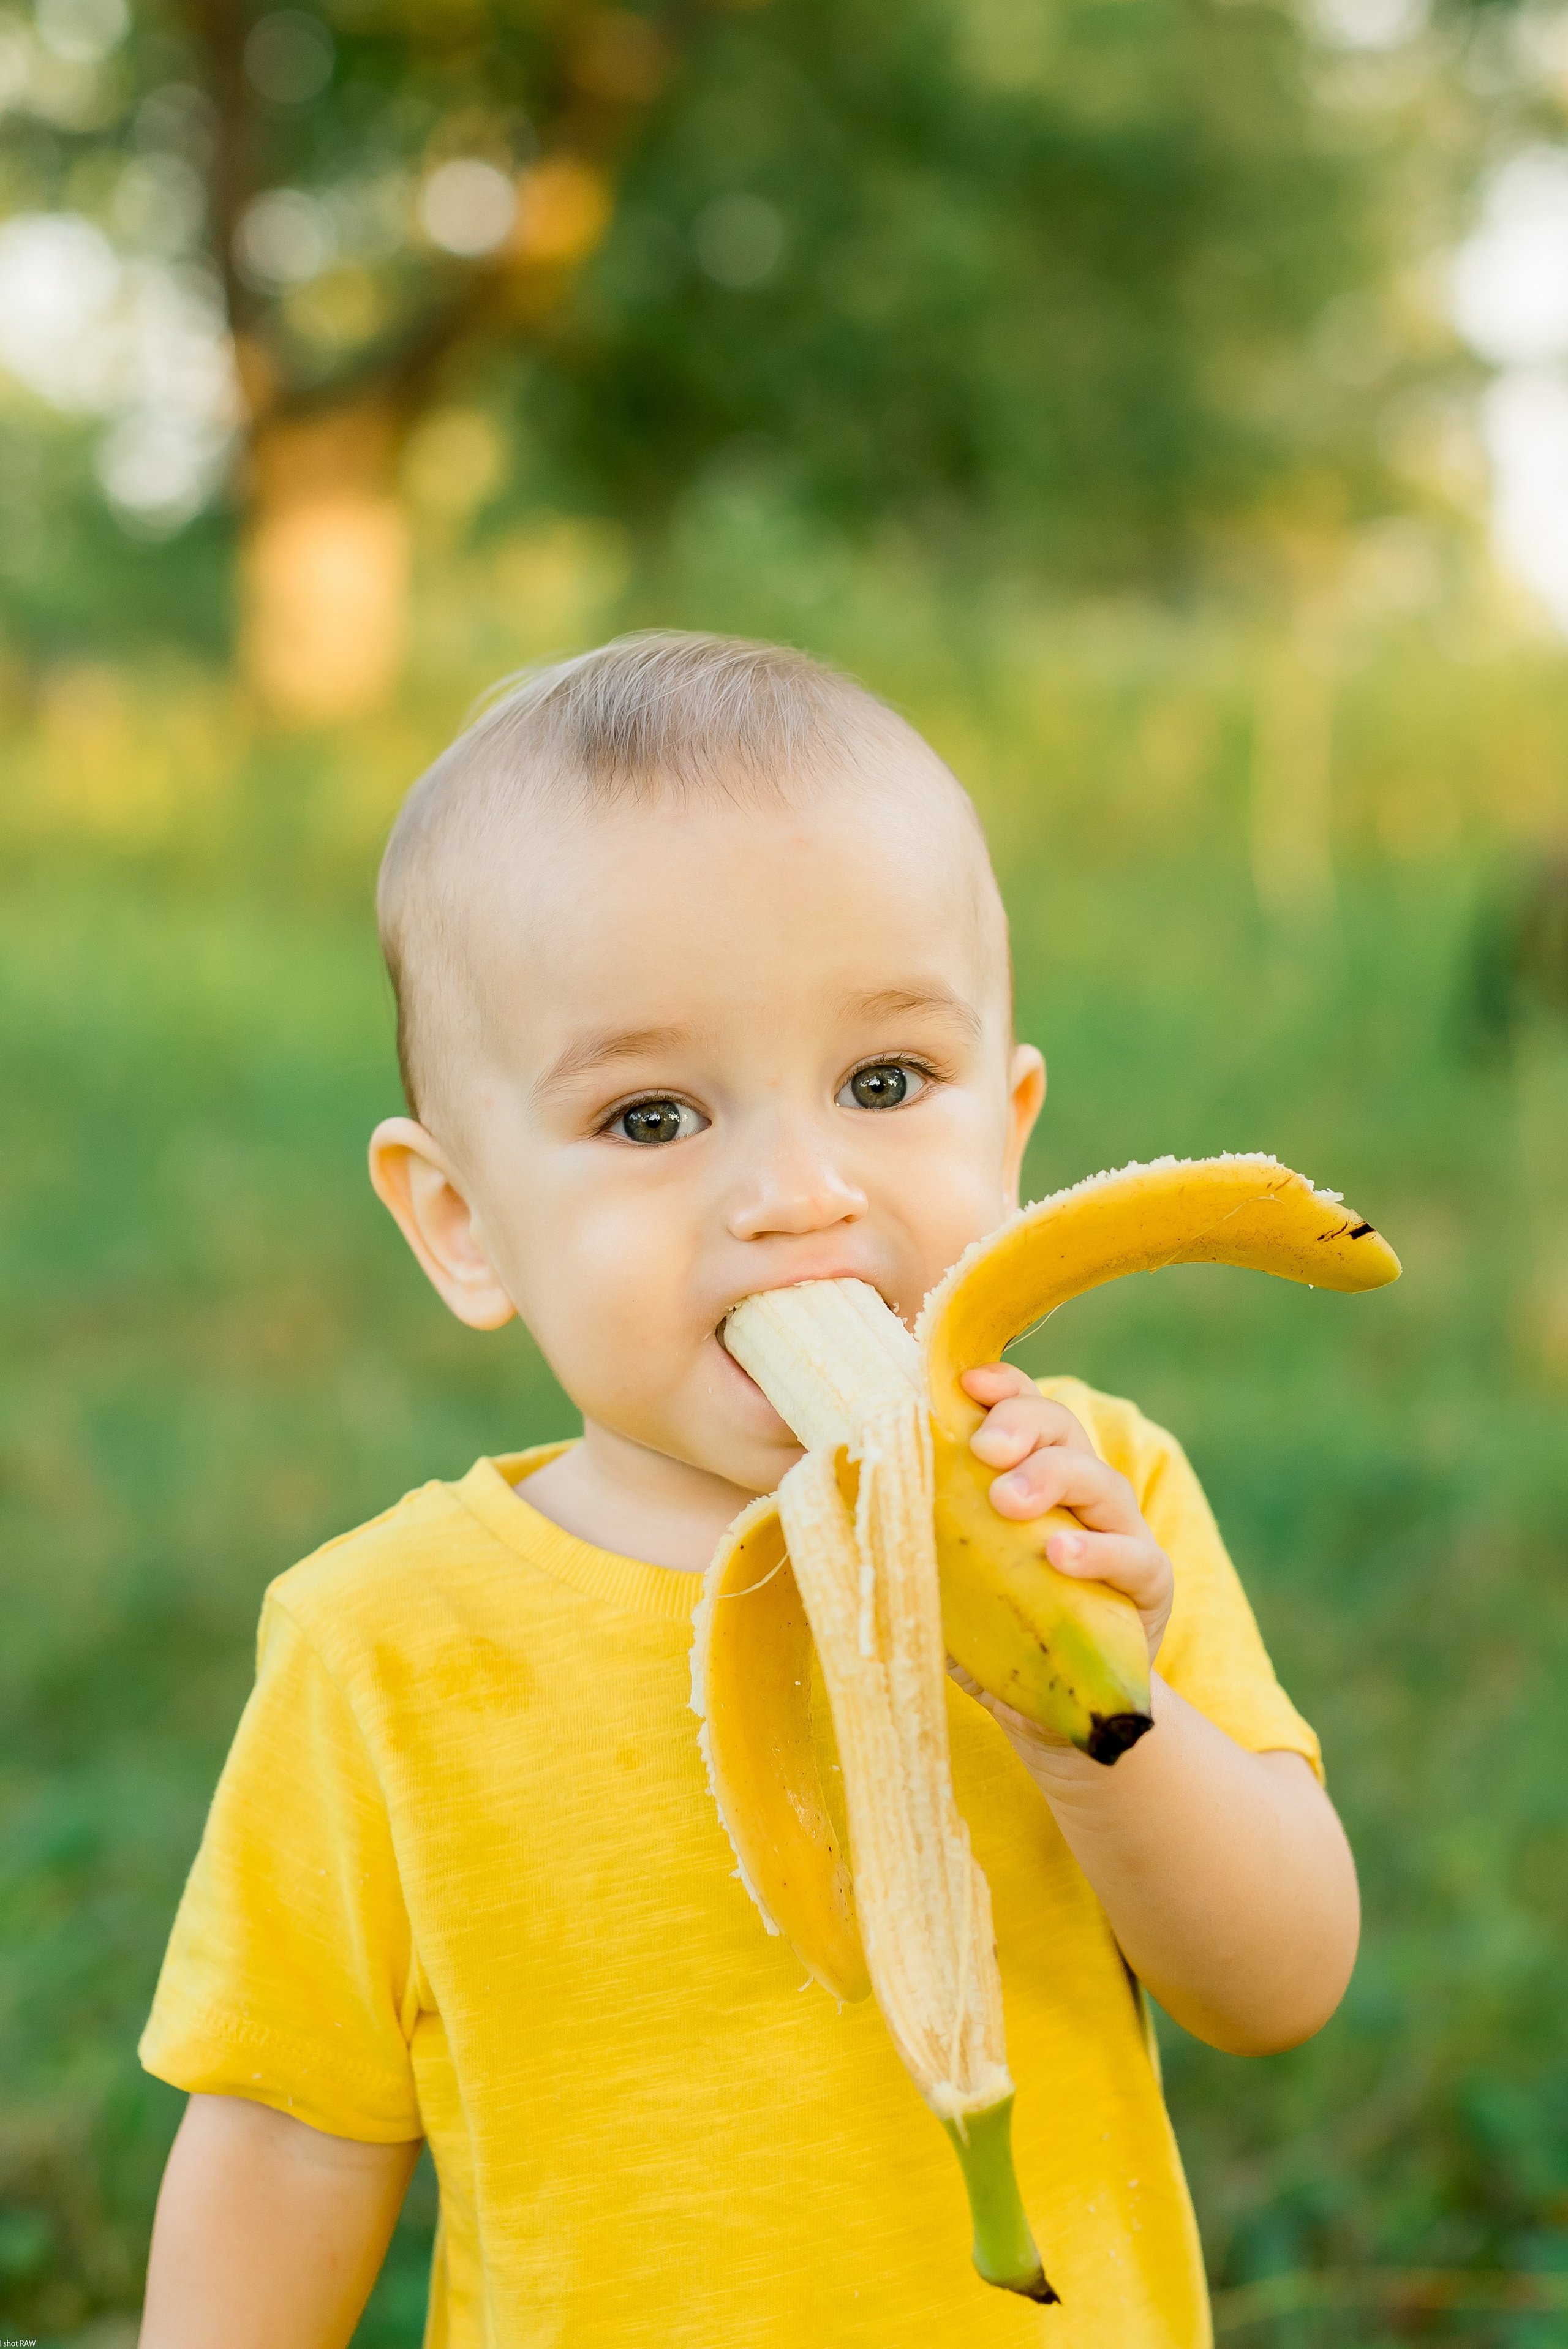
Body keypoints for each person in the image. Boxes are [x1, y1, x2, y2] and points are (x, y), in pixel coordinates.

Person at [136, 633, 1359, 2349]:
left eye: (882, 1084)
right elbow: (284, 2129)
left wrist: (1099, 1695)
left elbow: (1281, 1982)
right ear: (462, 1220)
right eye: (652, 1116)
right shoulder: (384, 1647)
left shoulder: (1091, 1498)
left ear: (1008, 1135)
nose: (795, 1192)